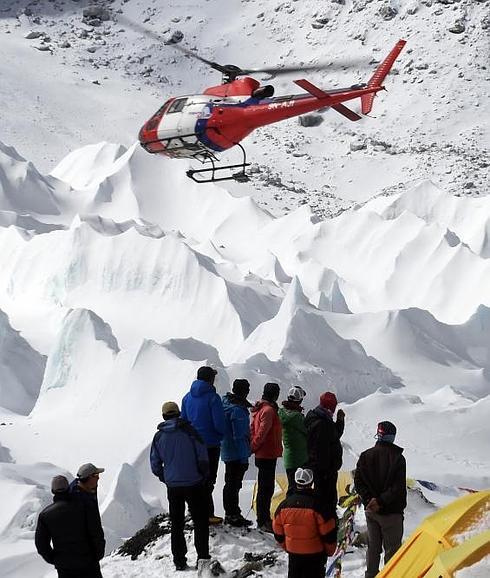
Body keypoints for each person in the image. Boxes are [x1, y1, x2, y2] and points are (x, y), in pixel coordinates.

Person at [150, 401, 211, 571]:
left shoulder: (159, 436)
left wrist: (165, 477)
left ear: (163, 416)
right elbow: (203, 456)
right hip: (194, 483)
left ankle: (179, 561)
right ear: (178, 414)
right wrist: (203, 476)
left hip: (173, 486)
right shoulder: (190, 431)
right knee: (200, 521)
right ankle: (203, 558)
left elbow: (155, 464)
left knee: (176, 524)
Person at [354, 421, 406, 578]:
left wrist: (370, 500)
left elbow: (358, 482)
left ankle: (370, 575)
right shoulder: (398, 458)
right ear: (392, 437)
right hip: (391, 513)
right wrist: (381, 501)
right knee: (392, 550)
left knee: (373, 548)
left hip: (371, 512)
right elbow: (397, 488)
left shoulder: (365, 456)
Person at [35, 475, 105, 578]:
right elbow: (96, 532)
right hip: (88, 563)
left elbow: (41, 544)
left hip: (65, 568)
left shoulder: (45, 515)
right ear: (68, 488)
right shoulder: (84, 506)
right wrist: (97, 555)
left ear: (53, 491)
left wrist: (55, 559)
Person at [272, 468, 337, 578]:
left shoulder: (284, 505)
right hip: (315, 555)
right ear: (311, 482)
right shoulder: (319, 505)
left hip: (294, 554)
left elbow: (277, 532)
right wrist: (329, 551)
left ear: (295, 482)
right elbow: (328, 532)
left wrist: (287, 546)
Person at [181, 365, 225, 524]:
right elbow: (219, 423)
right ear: (210, 379)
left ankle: (192, 510)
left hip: (193, 445)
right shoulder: (213, 398)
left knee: (195, 477)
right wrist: (220, 435)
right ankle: (206, 513)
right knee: (208, 479)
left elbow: (183, 421)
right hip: (211, 444)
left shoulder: (187, 397)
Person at [305, 391, 345, 519]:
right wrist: (329, 469)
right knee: (326, 496)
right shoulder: (322, 423)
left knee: (322, 495)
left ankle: (324, 519)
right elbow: (321, 449)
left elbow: (333, 435)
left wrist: (339, 421)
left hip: (321, 466)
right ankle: (326, 521)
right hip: (324, 469)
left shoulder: (319, 417)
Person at [250, 382, 282, 532]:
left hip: (263, 453)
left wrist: (253, 446)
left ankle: (263, 519)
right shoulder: (268, 411)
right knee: (266, 488)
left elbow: (253, 429)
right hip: (267, 453)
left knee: (265, 487)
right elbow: (262, 432)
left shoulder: (260, 409)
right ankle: (263, 520)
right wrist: (254, 446)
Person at [221, 378, 253, 527]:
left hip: (226, 449)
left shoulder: (225, 403)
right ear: (245, 391)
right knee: (234, 484)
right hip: (236, 453)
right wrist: (244, 457)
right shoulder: (238, 410)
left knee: (230, 483)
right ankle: (233, 514)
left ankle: (231, 512)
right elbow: (240, 435)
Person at [278, 385, 308, 494]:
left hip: (288, 457)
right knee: (301, 488)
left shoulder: (280, 413)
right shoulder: (298, 417)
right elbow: (307, 431)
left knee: (292, 485)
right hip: (301, 457)